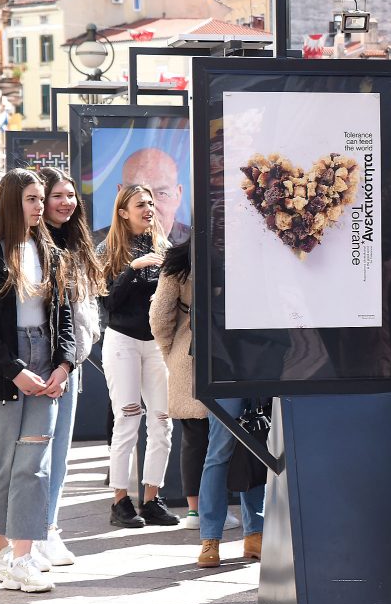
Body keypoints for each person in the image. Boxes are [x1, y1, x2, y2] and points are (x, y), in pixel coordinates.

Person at [0, 168, 75, 593]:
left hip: (46, 360)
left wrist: (63, 366)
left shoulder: (52, 252)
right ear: (10, 202)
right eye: (32, 199)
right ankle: (1, 553)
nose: (41, 206)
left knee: (35, 464)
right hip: (1, 366)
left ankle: (21, 557)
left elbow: (65, 320)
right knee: (6, 462)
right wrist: (16, 371)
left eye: (42, 198)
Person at [97, 184, 179, 528]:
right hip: (123, 342)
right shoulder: (108, 249)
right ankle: (120, 501)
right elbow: (107, 304)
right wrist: (132, 269)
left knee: (163, 421)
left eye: (150, 202)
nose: (148, 208)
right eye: (140, 204)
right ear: (122, 212)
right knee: (128, 418)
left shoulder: (165, 246)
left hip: (156, 345)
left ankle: (152, 498)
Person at [34, 167, 104, 566]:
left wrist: (82, 347)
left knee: (60, 454)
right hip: (42, 362)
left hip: (71, 360)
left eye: (71, 195)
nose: (66, 202)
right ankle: (34, 533)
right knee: (35, 456)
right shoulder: (33, 245)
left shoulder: (78, 243)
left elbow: (86, 304)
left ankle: (50, 529)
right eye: (57, 195)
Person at [149, 238, 238, 532]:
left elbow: (160, 314)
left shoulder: (179, 260)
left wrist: (168, 349)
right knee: (223, 438)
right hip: (230, 350)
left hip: (187, 350)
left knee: (193, 435)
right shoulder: (234, 253)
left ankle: (194, 510)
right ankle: (217, 509)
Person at [195, 394, 266, 568]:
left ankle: (255, 534)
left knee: (257, 450)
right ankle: (210, 538)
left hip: (262, 371)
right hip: (225, 373)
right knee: (219, 453)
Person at [93, 148, 189, 246]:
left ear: (178, 196)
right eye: (137, 193)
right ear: (120, 195)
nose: (150, 208)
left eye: (161, 193)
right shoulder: (93, 248)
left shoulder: (197, 245)